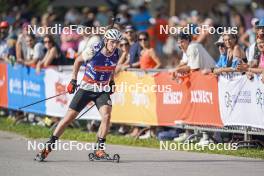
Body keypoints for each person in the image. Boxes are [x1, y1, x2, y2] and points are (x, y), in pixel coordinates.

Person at [36, 28, 122, 160]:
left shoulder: (117, 52)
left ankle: (99, 150)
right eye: (112, 42)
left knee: (106, 116)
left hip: (101, 90)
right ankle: (49, 145)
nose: (115, 45)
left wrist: (111, 82)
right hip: (87, 88)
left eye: (117, 42)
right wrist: (73, 80)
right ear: (106, 40)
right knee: (68, 118)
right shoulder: (94, 49)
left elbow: (111, 68)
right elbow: (77, 61)